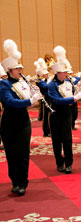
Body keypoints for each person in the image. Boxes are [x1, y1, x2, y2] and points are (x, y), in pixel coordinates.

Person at [0, 39, 41, 196]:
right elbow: (9, 102)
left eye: (21, 68)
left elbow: (30, 99)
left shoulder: (23, 81)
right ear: (10, 70)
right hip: (9, 123)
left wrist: (35, 94)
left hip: (23, 122)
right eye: (18, 68)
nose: (21, 70)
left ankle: (23, 182)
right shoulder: (3, 85)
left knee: (23, 154)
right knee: (11, 155)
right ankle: (15, 181)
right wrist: (30, 100)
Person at [48, 46, 81, 174]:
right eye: (64, 72)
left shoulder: (69, 82)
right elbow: (56, 100)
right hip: (56, 114)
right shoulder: (51, 85)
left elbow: (74, 92)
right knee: (57, 141)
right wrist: (74, 99)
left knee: (67, 140)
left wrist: (79, 87)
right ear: (58, 73)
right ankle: (59, 163)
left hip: (66, 114)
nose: (67, 74)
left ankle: (69, 164)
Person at [34, 58, 51, 137]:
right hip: (45, 98)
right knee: (46, 116)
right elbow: (46, 86)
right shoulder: (39, 81)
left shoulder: (45, 80)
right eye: (46, 74)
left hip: (49, 98)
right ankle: (46, 131)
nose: (48, 75)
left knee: (50, 115)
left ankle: (49, 130)